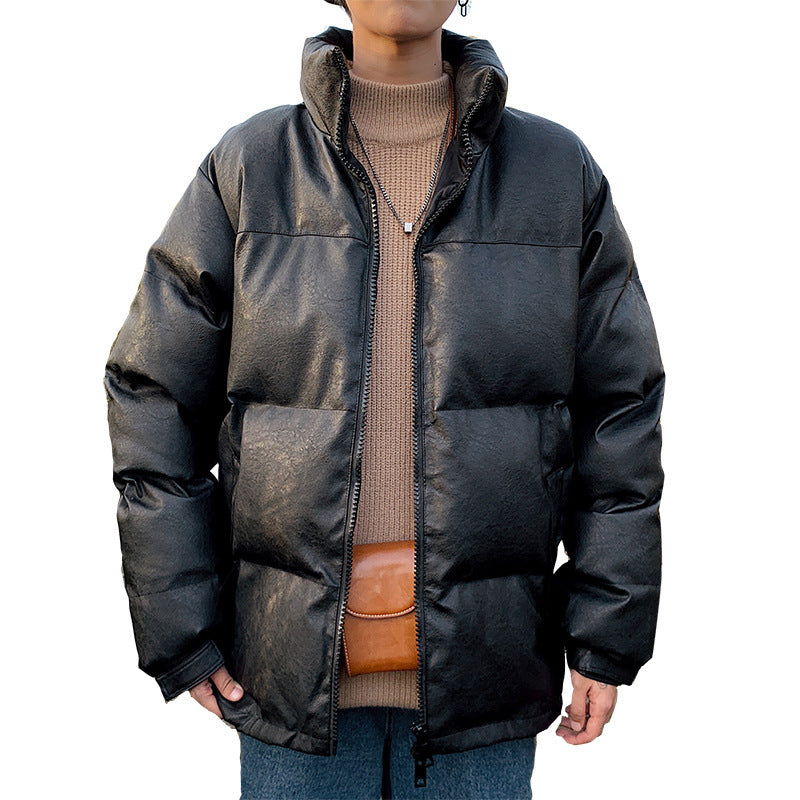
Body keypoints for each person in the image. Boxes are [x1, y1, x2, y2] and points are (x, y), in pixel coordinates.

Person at [103, 0, 665, 797]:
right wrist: (180, 626)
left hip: (487, 683)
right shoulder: (251, 169)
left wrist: (606, 633)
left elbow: (621, 408)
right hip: (290, 688)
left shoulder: (555, 173)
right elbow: (153, 391)